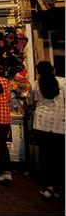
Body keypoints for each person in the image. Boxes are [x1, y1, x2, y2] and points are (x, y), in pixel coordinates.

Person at [32, 61, 65, 199]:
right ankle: (59, 187)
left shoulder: (36, 84)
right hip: (60, 125)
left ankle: (49, 186)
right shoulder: (63, 82)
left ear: (38, 72)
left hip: (42, 124)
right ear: (53, 70)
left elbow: (33, 103)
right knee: (60, 157)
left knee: (46, 156)